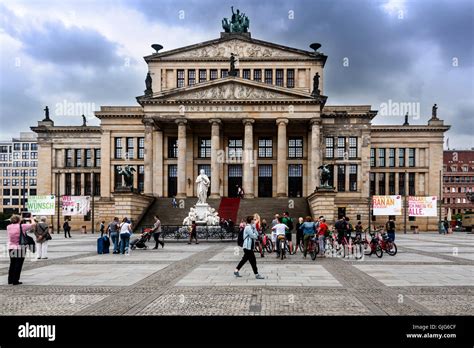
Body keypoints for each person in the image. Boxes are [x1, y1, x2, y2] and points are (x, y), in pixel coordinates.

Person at [7, 214, 36, 285]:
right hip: (20, 248)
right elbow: (33, 225)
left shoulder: (8, 226)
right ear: (19, 220)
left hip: (11, 247)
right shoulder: (22, 226)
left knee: (12, 263)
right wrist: (31, 218)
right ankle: (15, 280)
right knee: (18, 264)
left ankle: (10, 280)